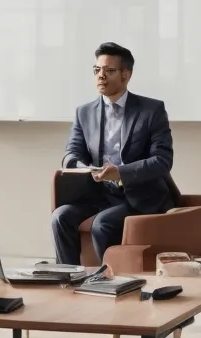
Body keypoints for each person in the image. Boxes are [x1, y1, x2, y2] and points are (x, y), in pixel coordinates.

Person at [50, 42, 180, 266]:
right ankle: (68, 279)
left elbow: (162, 160)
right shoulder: (84, 112)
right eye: (97, 70)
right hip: (97, 193)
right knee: (61, 217)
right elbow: (71, 153)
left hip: (139, 196)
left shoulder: (151, 110)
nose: (100, 76)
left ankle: (112, 285)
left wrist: (120, 173)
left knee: (103, 224)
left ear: (125, 75)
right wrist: (83, 167)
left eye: (109, 71)